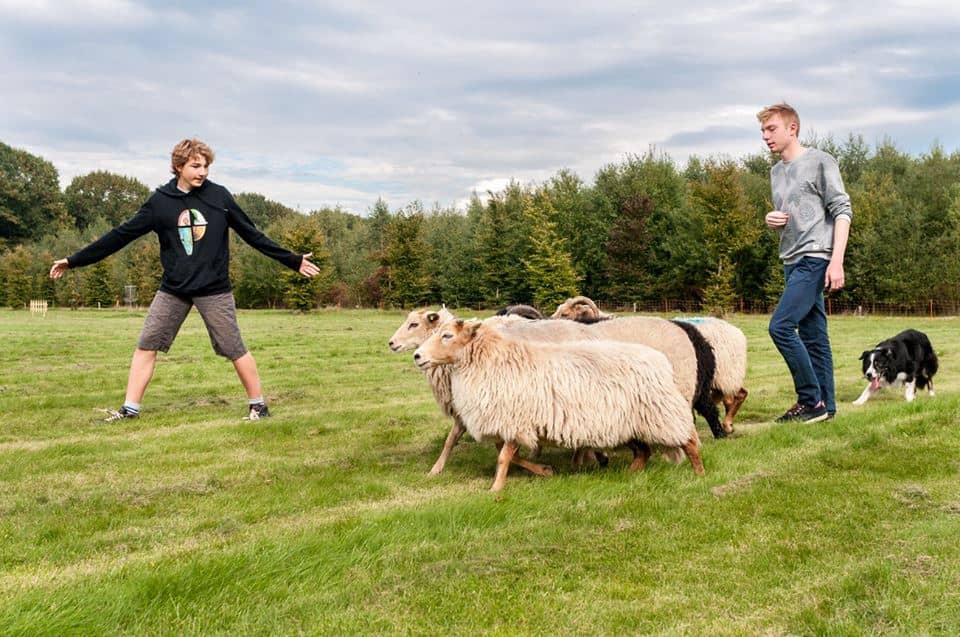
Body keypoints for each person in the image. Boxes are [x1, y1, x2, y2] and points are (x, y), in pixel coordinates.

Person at [50, 138, 321, 422]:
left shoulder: (219, 198)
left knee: (233, 347)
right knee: (147, 344)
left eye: (206, 166)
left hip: (214, 289)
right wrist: (74, 260)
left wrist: (292, 260)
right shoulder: (160, 202)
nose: (202, 172)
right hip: (174, 289)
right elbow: (119, 236)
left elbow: (252, 234)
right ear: (179, 166)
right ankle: (130, 409)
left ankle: (258, 406)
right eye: (196, 166)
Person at [758, 103, 852, 423]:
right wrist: (772, 219)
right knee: (814, 336)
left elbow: (842, 212)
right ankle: (827, 408)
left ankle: (810, 400)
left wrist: (836, 261)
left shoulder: (821, 161)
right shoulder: (776, 172)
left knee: (780, 327)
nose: (766, 136)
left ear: (792, 128)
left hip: (816, 256)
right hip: (791, 258)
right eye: (763, 131)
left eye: (771, 129)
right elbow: (795, 214)